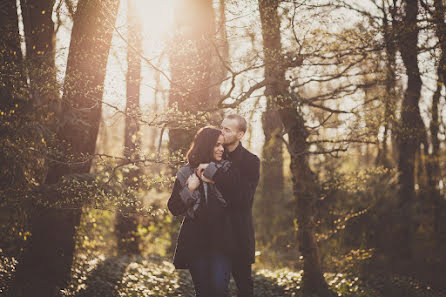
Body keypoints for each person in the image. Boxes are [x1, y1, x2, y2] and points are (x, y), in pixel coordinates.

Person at [167, 126, 236, 297]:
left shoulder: (227, 170)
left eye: (223, 145)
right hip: (196, 243)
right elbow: (174, 208)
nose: (221, 149)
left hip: (223, 241)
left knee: (220, 291)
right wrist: (189, 189)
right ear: (206, 145)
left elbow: (239, 201)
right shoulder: (185, 173)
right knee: (203, 292)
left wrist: (213, 174)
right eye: (217, 145)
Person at [199, 114, 260, 297]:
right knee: (216, 290)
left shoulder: (251, 161)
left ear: (240, 135)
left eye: (227, 129)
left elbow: (244, 198)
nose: (222, 132)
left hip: (239, 235)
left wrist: (214, 175)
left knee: (245, 289)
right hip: (214, 237)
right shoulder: (214, 154)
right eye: (221, 127)